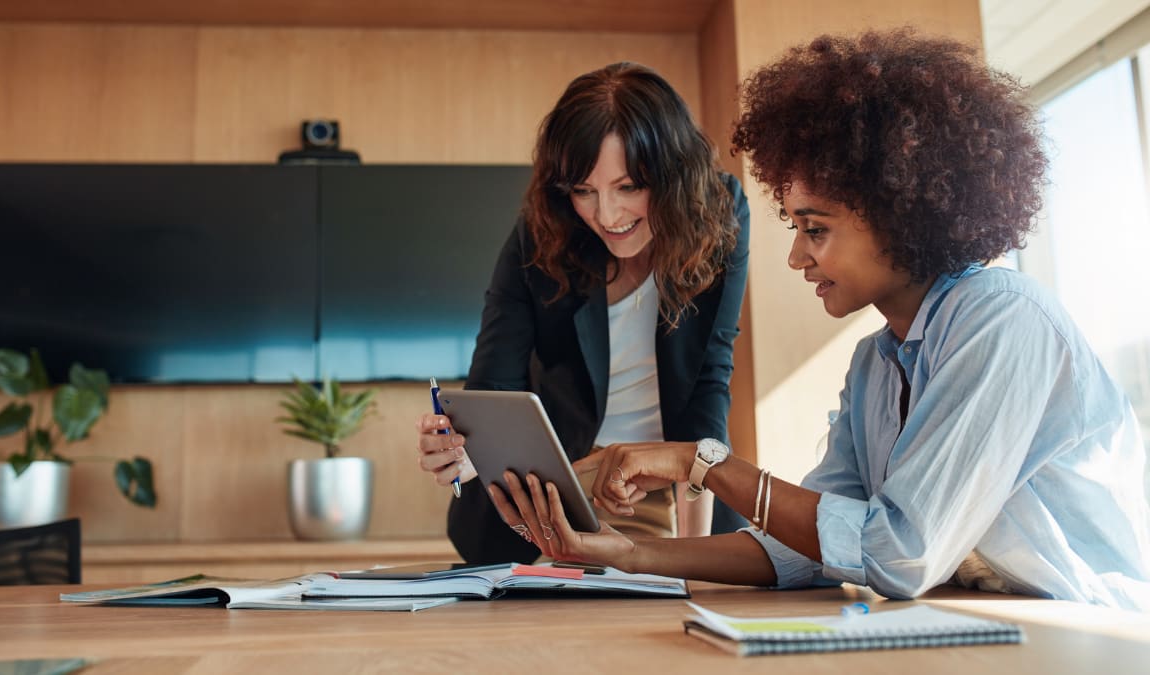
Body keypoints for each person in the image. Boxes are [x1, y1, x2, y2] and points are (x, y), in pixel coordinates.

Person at [486, 30, 1150, 611]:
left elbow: (899, 553)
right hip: (977, 621)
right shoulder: (875, 367)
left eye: (816, 229)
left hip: (1088, 628)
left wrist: (701, 460)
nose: (797, 254)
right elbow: (803, 550)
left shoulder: (1004, 321)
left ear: (900, 214)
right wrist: (628, 555)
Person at [415, 62, 751, 564]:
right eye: (583, 191)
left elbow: (709, 378)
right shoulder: (542, 231)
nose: (607, 216)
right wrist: (462, 451)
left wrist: (695, 555)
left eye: (629, 186)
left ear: (674, 175)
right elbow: (494, 388)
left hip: (675, 490)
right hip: (552, 498)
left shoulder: (718, 213)